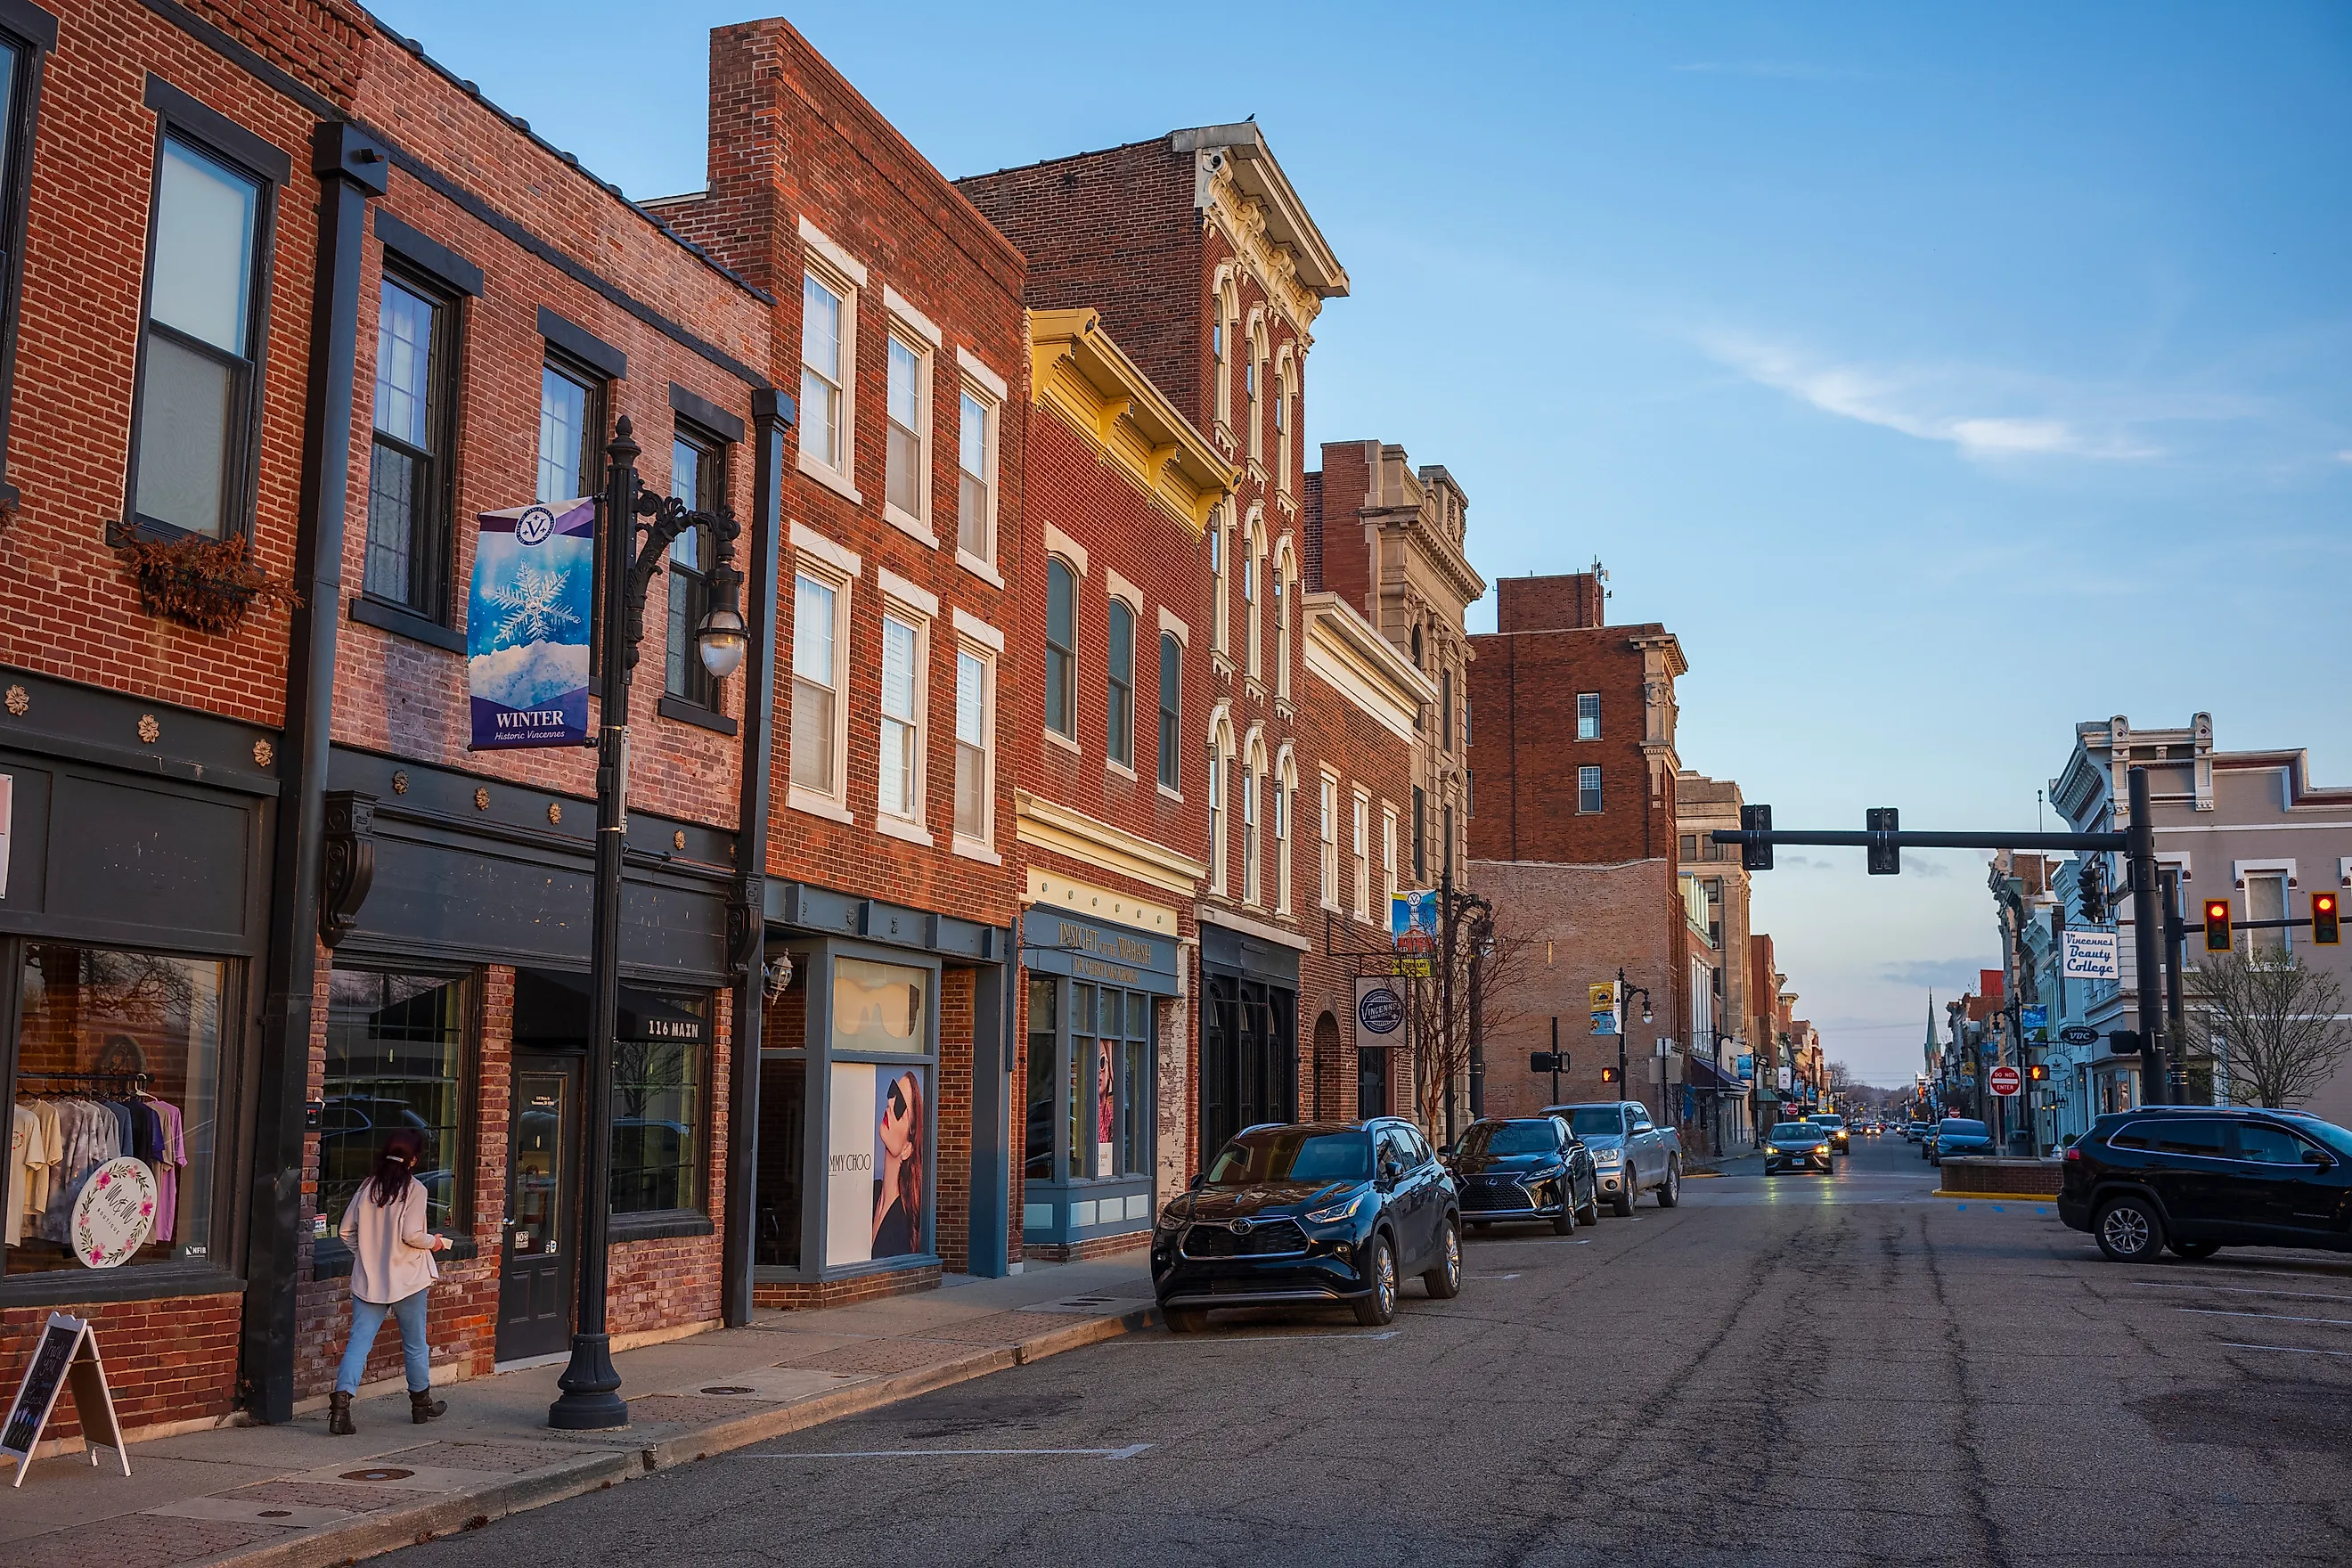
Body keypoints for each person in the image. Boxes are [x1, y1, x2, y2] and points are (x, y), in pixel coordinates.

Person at [329, 1129, 450, 1434]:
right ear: (413, 1160)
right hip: (407, 1279)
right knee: (414, 1344)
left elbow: (345, 1231)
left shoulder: (368, 1187)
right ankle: (420, 1405)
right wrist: (434, 1242)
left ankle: (341, 1407)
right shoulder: (415, 1190)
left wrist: (367, 1255)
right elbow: (411, 1235)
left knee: (358, 1342)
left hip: (369, 1280)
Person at [870, 1070, 924, 1258]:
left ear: (907, 1149)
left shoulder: (903, 1221)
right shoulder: (869, 1195)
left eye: (900, 1104)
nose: (890, 1102)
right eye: (892, 1093)